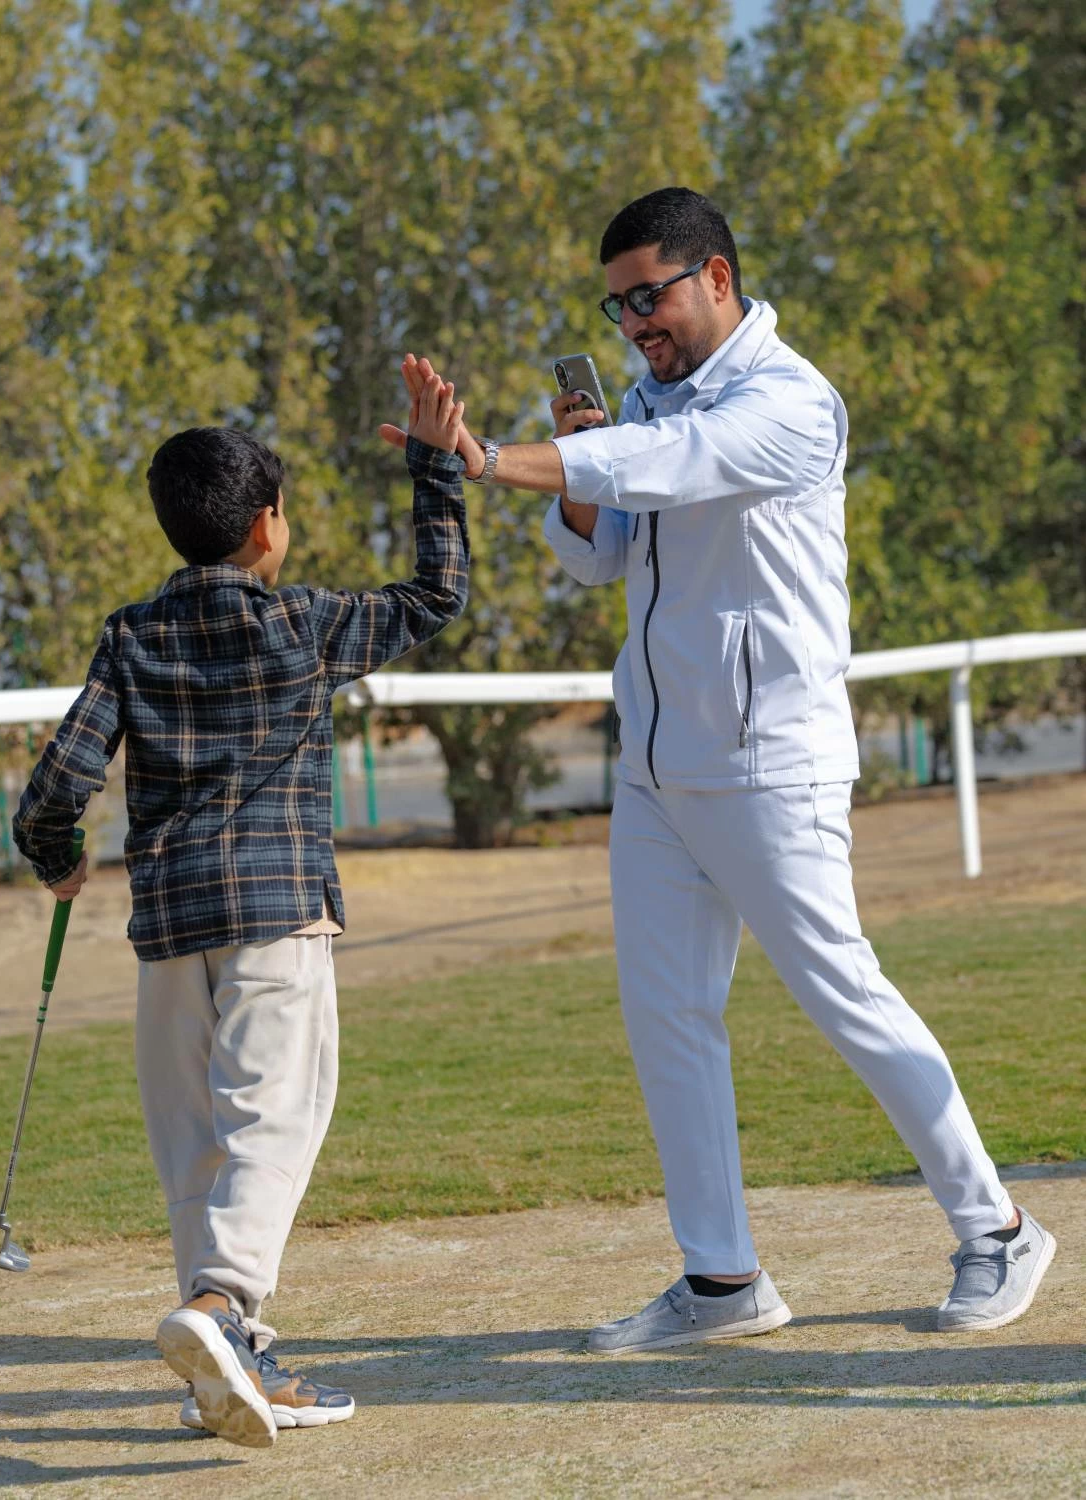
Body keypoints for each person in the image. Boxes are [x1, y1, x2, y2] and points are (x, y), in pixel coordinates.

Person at [380, 187, 1055, 1352]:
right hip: (653, 764)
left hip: (767, 760)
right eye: (619, 300)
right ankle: (724, 1279)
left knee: (844, 994)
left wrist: (493, 458)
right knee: (668, 1019)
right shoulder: (647, 401)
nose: (636, 318)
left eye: (653, 293)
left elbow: (674, 462)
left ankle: (996, 1227)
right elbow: (606, 560)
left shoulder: (789, 403)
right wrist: (585, 457)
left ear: (719, 280)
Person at [14, 376, 470, 1443]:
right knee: (274, 1123)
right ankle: (221, 1308)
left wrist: (56, 856)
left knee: (196, 1152)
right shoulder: (305, 625)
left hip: (167, 931)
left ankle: (225, 1368)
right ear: (268, 529)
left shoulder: (129, 635)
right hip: (276, 916)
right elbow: (435, 595)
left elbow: (57, 782)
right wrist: (435, 470)